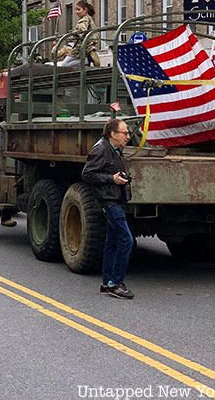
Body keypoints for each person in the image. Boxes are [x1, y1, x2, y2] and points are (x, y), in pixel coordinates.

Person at [81, 118, 134, 299]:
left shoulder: (115, 149)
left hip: (116, 199)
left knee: (112, 242)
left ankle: (107, 282)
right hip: (109, 201)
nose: (128, 136)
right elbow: (87, 174)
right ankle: (116, 283)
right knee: (126, 240)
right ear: (113, 134)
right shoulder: (101, 149)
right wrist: (112, 179)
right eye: (124, 133)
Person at [53, 0, 100, 67]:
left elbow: (82, 30)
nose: (76, 12)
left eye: (78, 9)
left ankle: (87, 60)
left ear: (85, 10)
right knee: (66, 62)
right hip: (83, 46)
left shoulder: (84, 19)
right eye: (75, 10)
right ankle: (86, 60)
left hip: (81, 47)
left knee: (65, 65)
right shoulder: (88, 18)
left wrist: (75, 33)